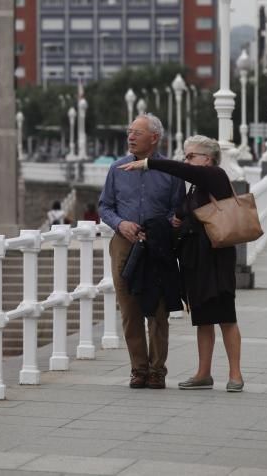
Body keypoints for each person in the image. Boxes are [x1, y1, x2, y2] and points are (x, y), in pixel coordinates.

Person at [119, 134, 244, 393]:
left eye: (190, 156)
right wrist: (178, 219)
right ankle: (203, 373)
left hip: (215, 259)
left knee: (225, 317)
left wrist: (149, 163)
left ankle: (235, 375)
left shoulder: (215, 175)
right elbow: (189, 213)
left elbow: (182, 171)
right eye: (185, 156)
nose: (185, 160)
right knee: (202, 317)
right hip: (195, 260)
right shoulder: (196, 187)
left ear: (207, 159)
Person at [99, 114, 185, 389]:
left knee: (158, 308)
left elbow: (178, 208)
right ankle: (138, 368)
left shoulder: (171, 171)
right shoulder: (116, 168)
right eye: (129, 132)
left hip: (157, 244)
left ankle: (157, 370)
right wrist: (120, 223)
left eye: (137, 132)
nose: (131, 137)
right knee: (129, 308)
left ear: (154, 138)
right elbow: (105, 206)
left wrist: (163, 226)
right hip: (125, 243)